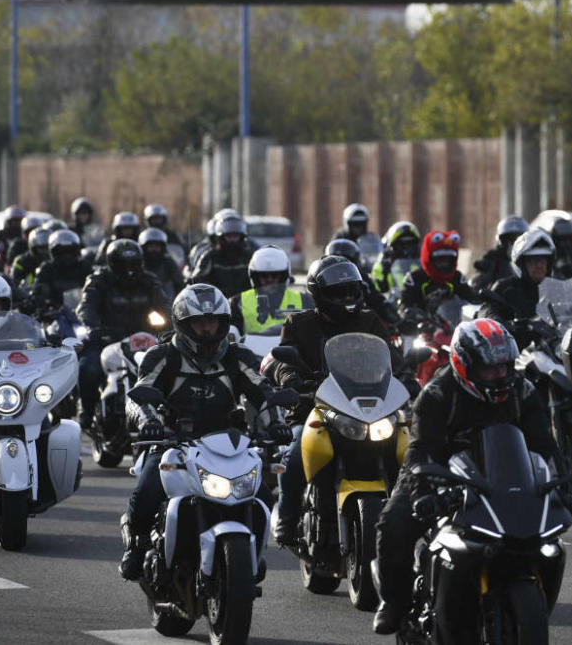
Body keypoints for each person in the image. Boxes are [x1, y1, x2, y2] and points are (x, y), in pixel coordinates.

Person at [370, 318, 572, 634]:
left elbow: (544, 445)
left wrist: (565, 486)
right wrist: (422, 492)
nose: (500, 375)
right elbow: (421, 450)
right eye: (489, 369)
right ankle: (394, 601)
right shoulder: (438, 395)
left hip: (504, 480)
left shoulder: (523, 392)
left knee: (548, 542)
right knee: (394, 523)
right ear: (464, 365)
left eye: (506, 367)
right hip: (438, 474)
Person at [119, 283, 293, 580]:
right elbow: (139, 396)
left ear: (223, 323)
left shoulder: (238, 356)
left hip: (229, 445)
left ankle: (253, 554)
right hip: (172, 442)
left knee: (264, 496)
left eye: (212, 321)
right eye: (199, 322)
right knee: (147, 490)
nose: (207, 329)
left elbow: (263, 392)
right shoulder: (162, 357)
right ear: (183, 324)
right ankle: (136, 547)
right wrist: (149, 422)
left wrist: (276, 423)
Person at [263, 255, 413, 549]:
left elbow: (391, 358)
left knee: (405, 450)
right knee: (294, 457)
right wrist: (290, 378)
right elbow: (281, 359)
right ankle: (288, 519)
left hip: (370, 407)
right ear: (320, 294)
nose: (346, 297)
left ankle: (410, 516)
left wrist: (407, 376)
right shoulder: (299, 323)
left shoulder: (368, 320)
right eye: (338, 292)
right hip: (313, 408)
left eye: (351, 290)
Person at [76, 239, 171, 428]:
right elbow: (86, 307)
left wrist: (169, 324)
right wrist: (94, 327)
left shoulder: (150, 280)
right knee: (88, 368)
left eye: (133, 264)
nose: (129, 269)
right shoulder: (98, 280)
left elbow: (164, 306)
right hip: (107, 339)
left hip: (145, 339)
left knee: (170, 367)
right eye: (123, 264)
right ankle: (86, 411)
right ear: (112, 264)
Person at [478, 228, 556, 349]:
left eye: (543, 260)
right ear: (521, 264)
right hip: (518, 352)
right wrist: (505, 325)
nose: (539, 265)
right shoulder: (505, 288)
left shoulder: (556, 289)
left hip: (553, 349)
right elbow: (488, 311)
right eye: (533, 260)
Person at [398, 230, 476, 327]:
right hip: (421, 332)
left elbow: (470, 298)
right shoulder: (414, 278)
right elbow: (403, 305)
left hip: (453, 330)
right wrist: (411, 313)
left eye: (447, 260)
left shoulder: (457, 277)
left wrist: (484, 297)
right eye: (440, 260)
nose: (444, 264)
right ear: (429, 259)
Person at [324, 238, 399, 327]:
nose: (342, 270)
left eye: (347, 263)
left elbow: (378, 301)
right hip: (327, 328)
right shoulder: (322, 281)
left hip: (359, 329)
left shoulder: (364, 281)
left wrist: (397, 322)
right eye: (336, 264)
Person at [232, 246, 303, 337]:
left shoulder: (304, 299)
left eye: (274, 275)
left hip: (292, 350)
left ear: (283, 276)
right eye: (264, 275)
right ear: (255, 277)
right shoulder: (238, 303)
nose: (269, 280)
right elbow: (232, 337)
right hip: (252, 350)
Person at [188, 215, 253, 298]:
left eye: (235, 236)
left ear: (242, 237)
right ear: (221, 238)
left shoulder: (249, 257)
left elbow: (259, 280)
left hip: (244, 303)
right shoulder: (210, 257)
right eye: (229, 236)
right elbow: (197, 278)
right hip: (217, 304)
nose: (232, 240)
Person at [31, 229, 91, 312]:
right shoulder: (46, 268)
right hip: (54, 315)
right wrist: (43, 302)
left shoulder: (84, 267)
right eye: (61, 252)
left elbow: (93, 290)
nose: (66, 256)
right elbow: (38, 290)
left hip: (82, 313)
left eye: (70, 252)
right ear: (54, 252)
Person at [471, 215, 528, 291]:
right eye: (510, 240)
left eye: (519, 240)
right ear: (502, 241)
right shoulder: (491, 261)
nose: (514, 244)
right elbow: (476, 286)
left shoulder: (532, 261)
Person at [370, 221, 421, 295]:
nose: (406, 250)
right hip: (393, 304)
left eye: (410, 244)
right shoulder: (382, 265)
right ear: (391, 247)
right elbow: (376, 290)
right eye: (401, 245)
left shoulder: (422, 265)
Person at [138, 228, 185, 300]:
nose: (154, 249)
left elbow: (179, 282)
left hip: (166, 301)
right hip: (143, 301)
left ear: (162, 248)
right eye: (151, 247)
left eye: (157, 246)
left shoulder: (168, 262)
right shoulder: (139, 263)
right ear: (144, 248)